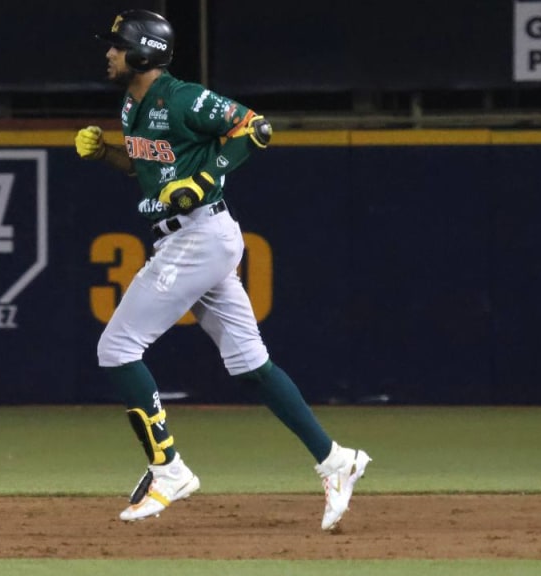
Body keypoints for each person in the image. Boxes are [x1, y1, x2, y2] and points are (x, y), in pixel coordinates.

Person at [74, 9, 371, 531]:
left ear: (142, 52)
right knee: (252, 365)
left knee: (117, 348)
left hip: (199, 234)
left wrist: (204, 179)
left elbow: (255, 128)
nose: (109, 53)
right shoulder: (132, 104)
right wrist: (106, 154)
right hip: (191, 237)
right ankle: (336, 460)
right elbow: (147, 168)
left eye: (117, 45)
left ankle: (168, 469)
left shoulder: (183, 98)